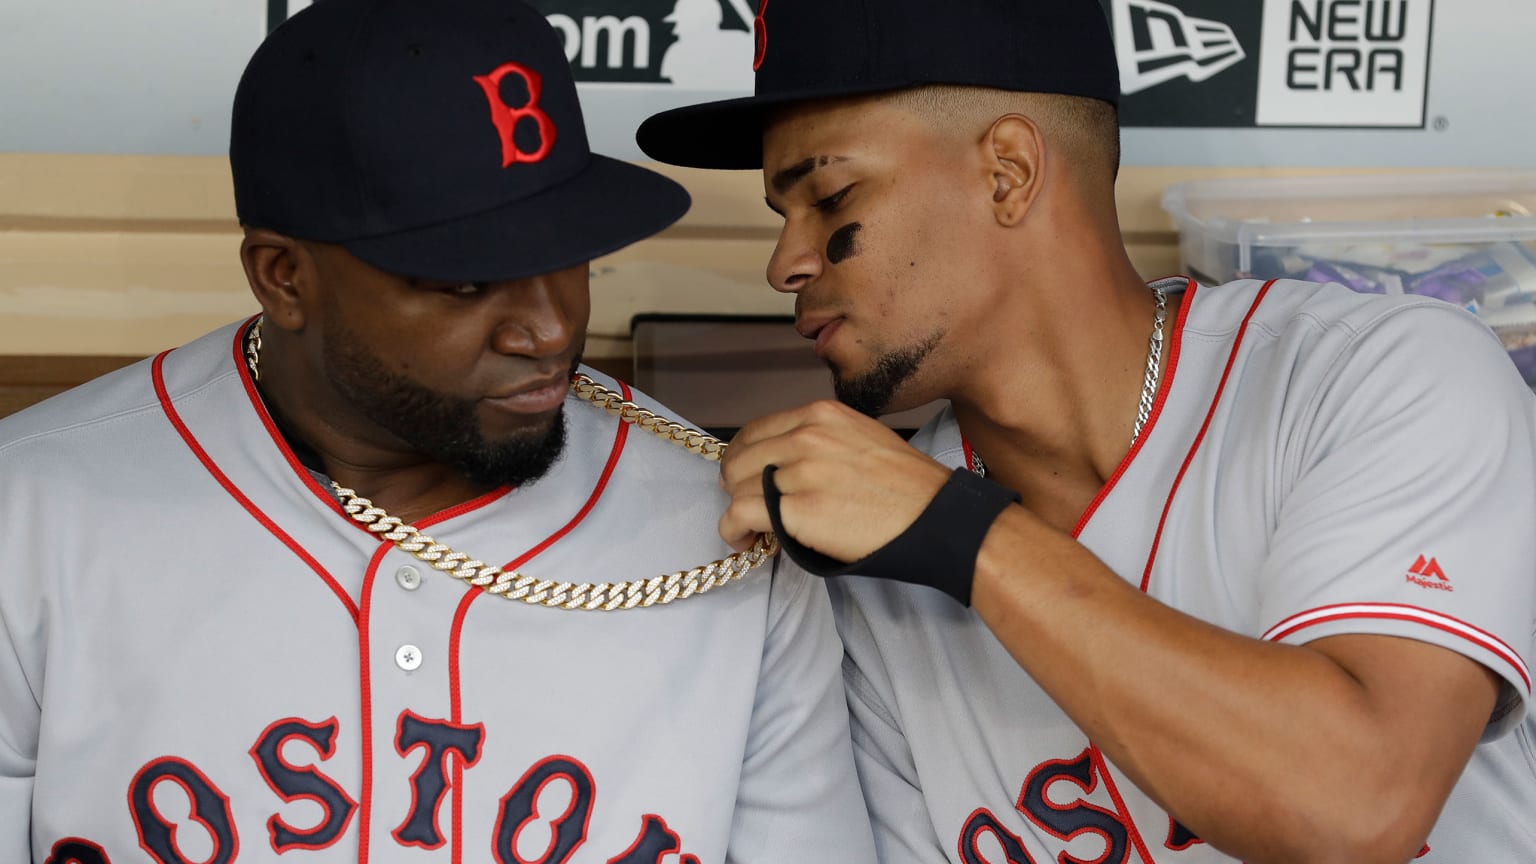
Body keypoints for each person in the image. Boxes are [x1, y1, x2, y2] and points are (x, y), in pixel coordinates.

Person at [636, 1, 1536, 862]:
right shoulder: (874, 583)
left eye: (829, 198)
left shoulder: (1373, 374)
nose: (785, 262)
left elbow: (1357, 805)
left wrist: (965, 536)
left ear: (1008, 172)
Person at [0, 1, 877, 861]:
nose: (545, 330)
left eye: (567, 255)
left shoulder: (728, 533)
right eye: (466, 281)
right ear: (284, 277)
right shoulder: (31, 513)